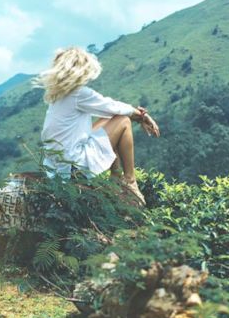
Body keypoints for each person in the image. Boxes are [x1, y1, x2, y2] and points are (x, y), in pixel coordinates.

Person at [35, 46, 160, 205]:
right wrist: (142, 116)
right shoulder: (78, 93)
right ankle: (130, 181)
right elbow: (113, 107)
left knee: (107, 118)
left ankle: (115, 177)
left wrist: (138, 116)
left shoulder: (57, 95)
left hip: (57, 168)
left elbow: (108, 111)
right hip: (73, 168)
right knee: (123, 121)